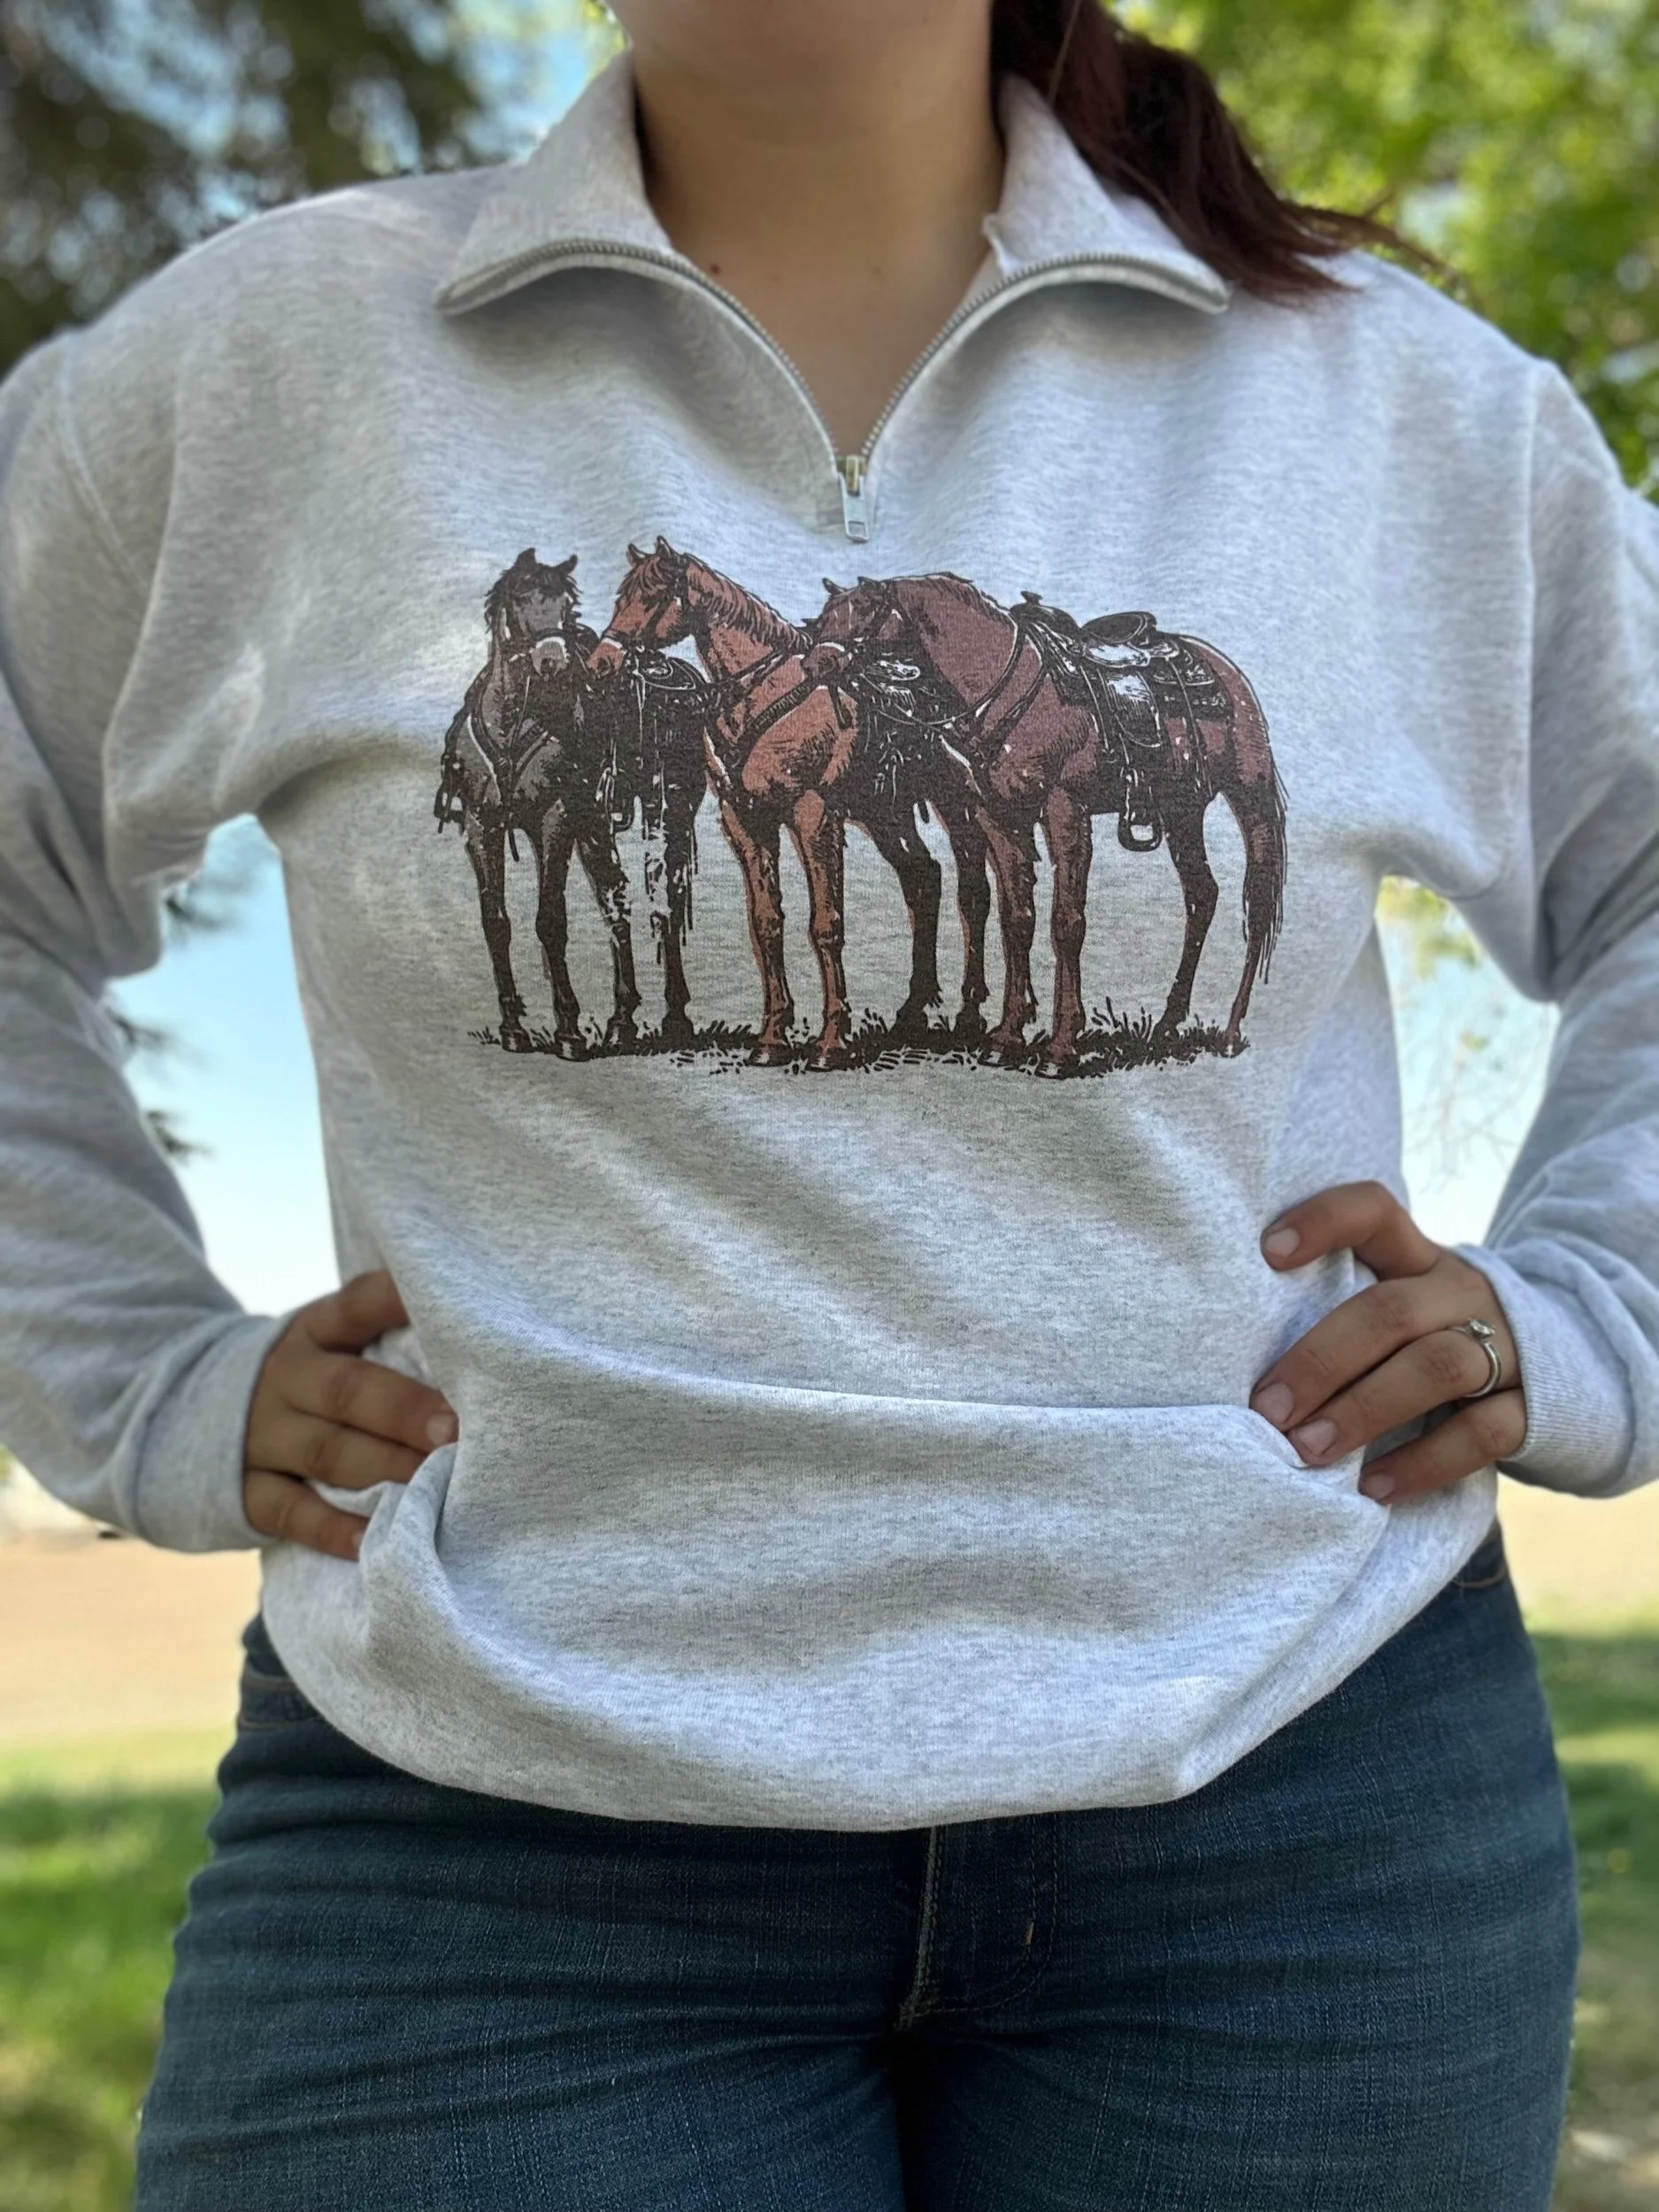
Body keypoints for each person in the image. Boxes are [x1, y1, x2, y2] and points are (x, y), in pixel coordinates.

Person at [1, 1, 1655, 2204]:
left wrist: (1595, 1304)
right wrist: (134, 1377)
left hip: (1298, 1820)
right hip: (485, 1846)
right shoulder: (265, 366)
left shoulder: (1397, 405)